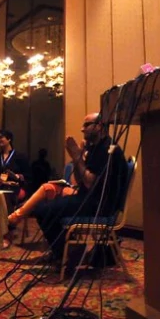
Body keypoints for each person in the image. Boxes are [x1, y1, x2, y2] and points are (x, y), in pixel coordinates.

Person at [28, 112, 128, 263]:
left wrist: (76, 156)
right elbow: (79, 181)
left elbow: (89, 183)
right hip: (89, 199)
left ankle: (67, 255)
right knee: (43, 207)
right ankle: (69, 252)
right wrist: (79, 157)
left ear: (99, 126)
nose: (82, 129)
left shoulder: (107, 149)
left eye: (86, 125)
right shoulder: (96, 147)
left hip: (100, 206)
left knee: (43, 210)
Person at [0, 129, 31, 248]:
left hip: (16, 188)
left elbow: (29, 176)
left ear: (9, 139)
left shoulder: (20, 156)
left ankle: (7, 233)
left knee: (5, 196)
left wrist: (17, 176)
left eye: (1, 137)